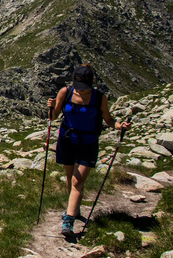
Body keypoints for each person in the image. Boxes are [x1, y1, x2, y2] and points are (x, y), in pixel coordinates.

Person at [47, 64, 131, 239]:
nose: (82, 91)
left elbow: (108, 119)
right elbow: (53, 117)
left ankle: (68, 220)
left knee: (78, 181)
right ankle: (75, 210)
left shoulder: (99, 97)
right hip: (67, 140)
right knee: (70, 178)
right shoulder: (66, 92)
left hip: (88, 143)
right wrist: (51, 106)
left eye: (85, 88)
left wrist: (119, 126)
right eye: (80, 88)